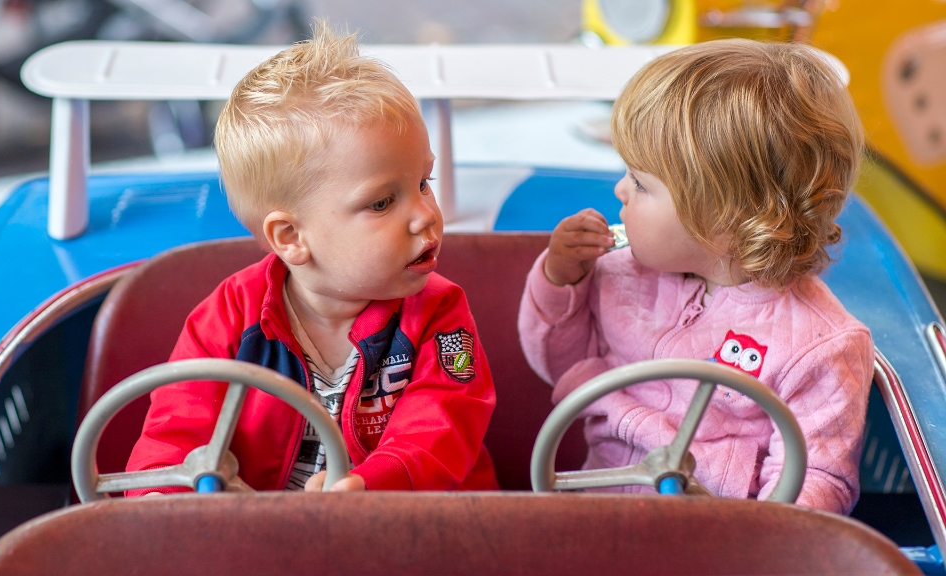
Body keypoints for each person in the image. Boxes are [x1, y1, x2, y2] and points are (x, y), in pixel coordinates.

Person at [126, 22, 498, 494]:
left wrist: (370, 486)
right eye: (383, 202)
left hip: (411, 528)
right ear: (291, 237)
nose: (426, 215)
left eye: (424, 183)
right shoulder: (227, 318)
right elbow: (176, 430)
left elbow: (444, 423)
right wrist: (160, 497)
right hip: (271, 540)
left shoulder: (441, 313)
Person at [518, 39, 873, 514]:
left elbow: (815, 475)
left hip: (716, 544)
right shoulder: (622, 275)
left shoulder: (821, 345)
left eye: (641, 184)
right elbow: (562, 367)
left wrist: (757, 545)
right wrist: (561, 280)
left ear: (729, 217)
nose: (620, 190)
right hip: (590, 514)